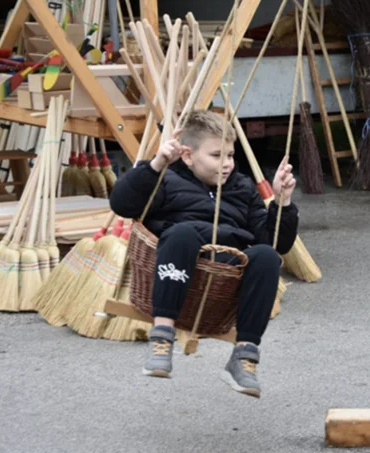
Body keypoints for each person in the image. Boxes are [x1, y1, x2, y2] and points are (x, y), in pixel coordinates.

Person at [109, 110, 299, 398]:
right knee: (182, 233)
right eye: (216, 156)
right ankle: (162, 337)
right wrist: (156, 164)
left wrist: (282, 203)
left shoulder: (242, 188)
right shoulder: (166, 180)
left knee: (267, 256)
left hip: (225, 273)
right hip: (179, 261)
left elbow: (275, 242)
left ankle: (244, 355)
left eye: (230, 155)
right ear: (187, 156)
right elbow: (122, 205)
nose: (227, 164)